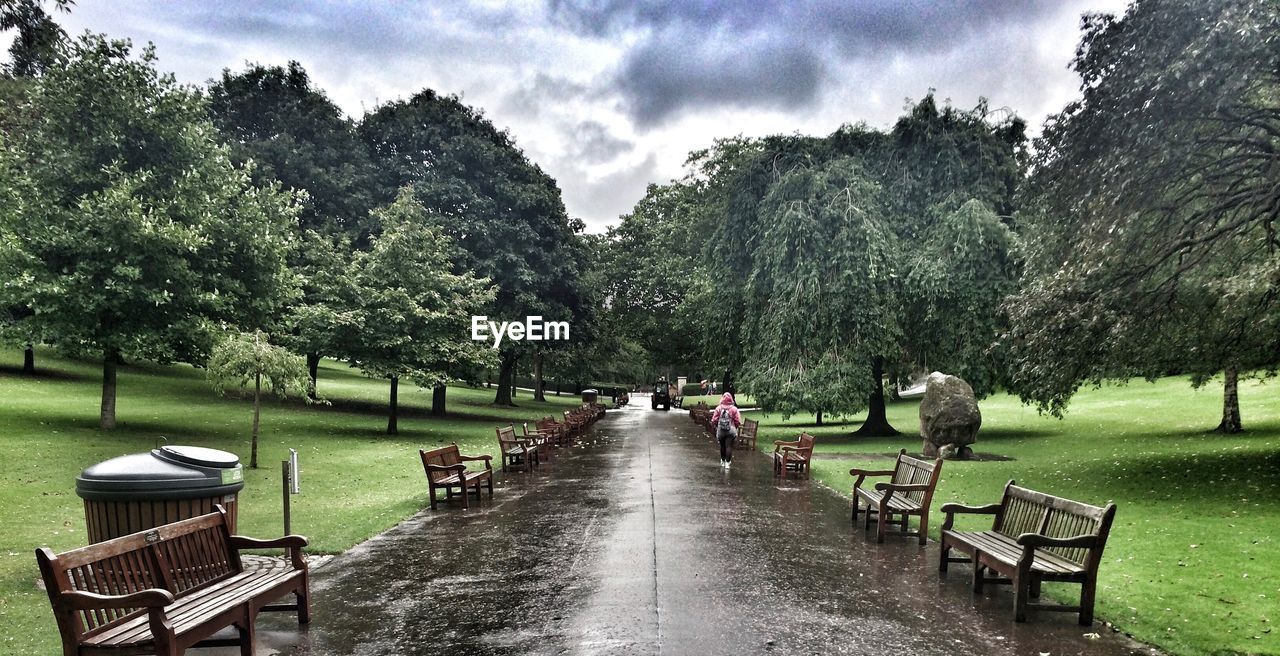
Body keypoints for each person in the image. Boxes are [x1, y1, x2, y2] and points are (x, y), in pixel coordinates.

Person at [709, 392, 742, 469]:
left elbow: (714, 420)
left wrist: (717, 426)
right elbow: (737, 421)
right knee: (728, 446)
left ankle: (723, 461)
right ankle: (728, 463)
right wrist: (735, 427)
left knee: (722, 446)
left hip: (721, 430)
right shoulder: (734, 409)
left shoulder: (718, 408)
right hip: (731, 430)